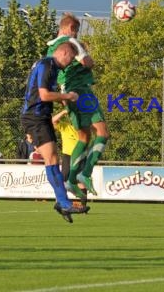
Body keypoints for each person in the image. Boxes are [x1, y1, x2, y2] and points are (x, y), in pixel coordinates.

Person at [20, 41, 88, 223]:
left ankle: (62, 202)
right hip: (34, 117)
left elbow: (47, 95)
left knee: (53, 159)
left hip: (42, 116)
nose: (71, 62)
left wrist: (63, 101)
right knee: (51, 159)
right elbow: (43, 95)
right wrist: (68, 96)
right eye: (72, 58)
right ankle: (63, 202)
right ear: (64, 53)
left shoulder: (52, 67)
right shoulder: (47, 64)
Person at [46, 13, 109, 198]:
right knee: (103, 133)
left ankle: (71, 180)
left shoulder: (50, 48)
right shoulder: (71, 42)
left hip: (68, 93)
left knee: (83, 136)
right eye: (76, 30)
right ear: (70, 28)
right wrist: (89, 60)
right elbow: (87, 62)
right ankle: (85, 173)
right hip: (81, 91)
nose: (76, 34)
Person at [52, 108, 88, 207]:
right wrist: (64, 111)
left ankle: (83, 206)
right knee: (63, 179)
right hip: (68, 155)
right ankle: (61, 201)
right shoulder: (65, 126)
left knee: (81, 180)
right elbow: (53, 121)